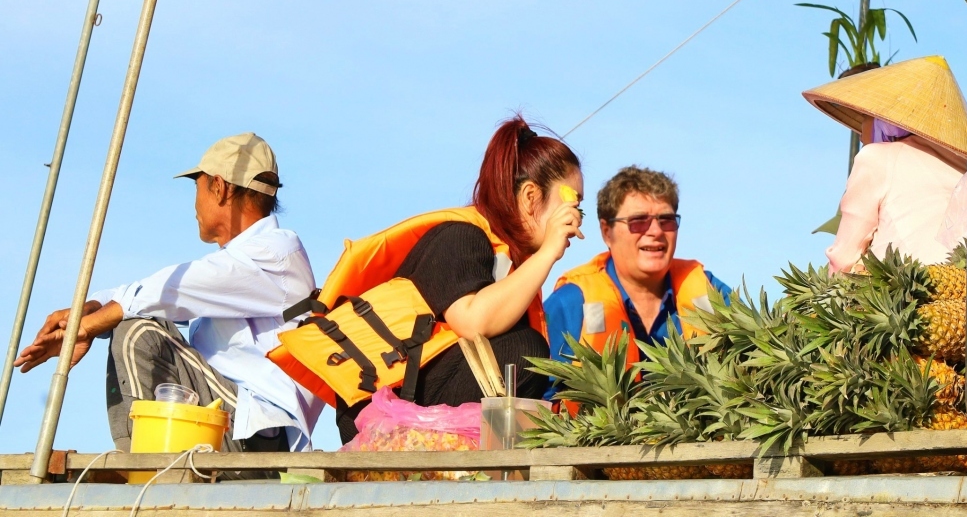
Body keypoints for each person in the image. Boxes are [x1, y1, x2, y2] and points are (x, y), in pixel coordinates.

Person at [268, 116, 584, 444]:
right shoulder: (462, 237)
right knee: (525, 349)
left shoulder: (513, 268)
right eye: (572, 204)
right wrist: (548, 253)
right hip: (380, 412)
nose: (575, 220)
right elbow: (472, 320)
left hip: (421, 403)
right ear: (531, 196)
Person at [15, 133, 322, 453]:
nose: (195, 204)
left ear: (219, 187)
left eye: (197, 186)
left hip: (257, 433)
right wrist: (89, 310)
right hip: (241, 421)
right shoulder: (254, 258)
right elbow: (162, 292)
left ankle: (136, 465)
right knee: (137, 316)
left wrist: (89, 324)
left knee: (136, 332)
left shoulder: (274, 252)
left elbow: (172, 288)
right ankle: (153, 459)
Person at [544, 166, 731, 370]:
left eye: (666, 220)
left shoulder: (712, 293)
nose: (656, 231)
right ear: (607, 232)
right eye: (638, 221)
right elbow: (537, 396)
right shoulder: (570, 303)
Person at [803, 56, 967, 273]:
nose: (861, 137)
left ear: (880, 122)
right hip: (965, 286)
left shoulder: (876, 158)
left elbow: (844, 257)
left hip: (908, 294)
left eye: (864, 121)